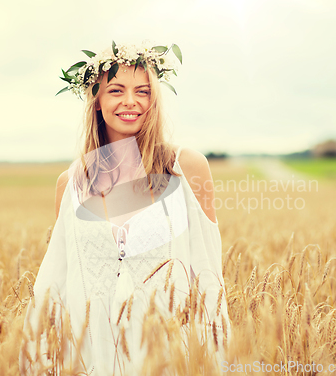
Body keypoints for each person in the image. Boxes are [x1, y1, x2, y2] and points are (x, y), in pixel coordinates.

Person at [19, 41, 231, 376]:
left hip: (169, 357)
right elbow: (56, 281)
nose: (130, 102)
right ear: (97, 100)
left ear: (154, 101)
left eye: (143, 92)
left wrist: (214, 360)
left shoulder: (186, 168)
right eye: (116, 90)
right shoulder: (70, 184)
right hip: (92, 358)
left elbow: (208, 275)